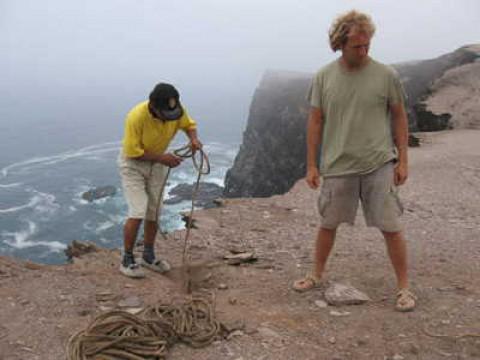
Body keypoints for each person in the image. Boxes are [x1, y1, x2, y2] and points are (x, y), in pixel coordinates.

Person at [292, 10, 416, 312]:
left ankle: (404, 288)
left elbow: (399, 116)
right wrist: (312, 164)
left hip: (379, 163)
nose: (364, 51)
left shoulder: (386, 75)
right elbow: (315, 122)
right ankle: (315, 275)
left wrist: (403, 160)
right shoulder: (323, 77)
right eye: (357, 46)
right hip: (338, 166)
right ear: (340, 45)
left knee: (391, 226)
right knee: (328, 223)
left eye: (367, 45)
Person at [118, 83, 202, 278]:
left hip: (157, 162)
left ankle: (148, 256)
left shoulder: (176, 110)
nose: (168, 120)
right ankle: (127, 259)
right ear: (153, 107)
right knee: (138, 210)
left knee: (154, 211)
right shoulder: (136, 117)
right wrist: (163, 158)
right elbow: (132, 152)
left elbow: (189, 125)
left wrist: (194, 139)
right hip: (133, 164)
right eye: (165, 115)